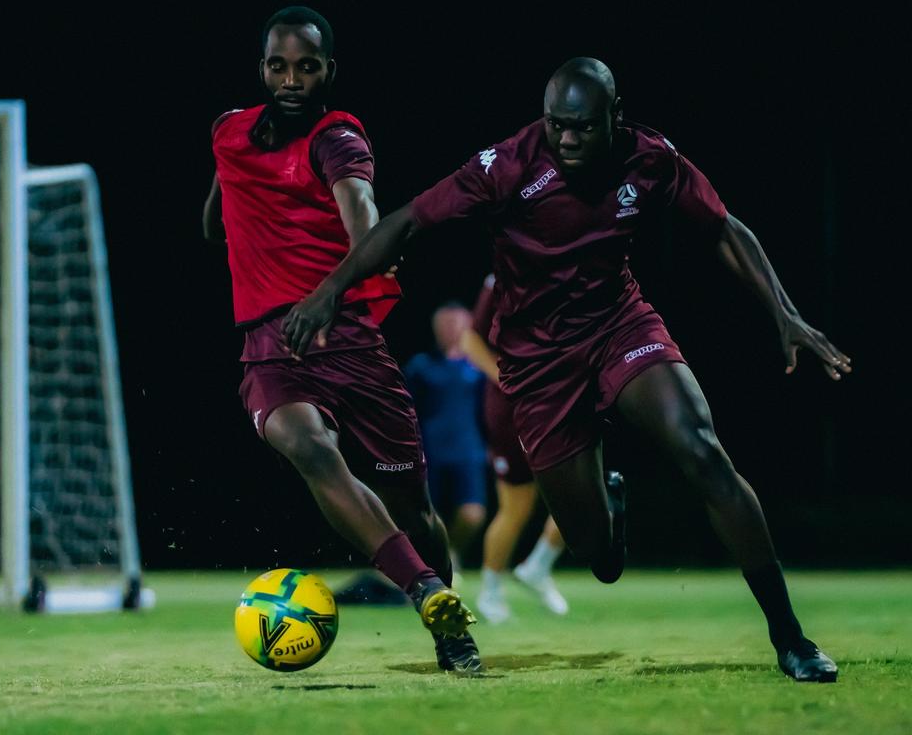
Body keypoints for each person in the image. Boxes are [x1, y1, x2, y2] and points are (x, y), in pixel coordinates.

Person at [281, 57, 851, 682]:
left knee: (702, 450)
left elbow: (723, 229)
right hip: (537, 364)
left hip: (619, 327)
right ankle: (609, 509)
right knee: (597, 557)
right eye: (558, 126)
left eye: (583, 127)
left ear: (615, 116)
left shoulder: (650, 157)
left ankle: (790, 638)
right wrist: (333, 288)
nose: (568, 139)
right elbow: (409, 221)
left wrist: (786, 315)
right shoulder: (507, 166)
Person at [203, 6, 480, 673]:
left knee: (414, 513)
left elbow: (361, 205)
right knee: (309, 448)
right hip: (272, 346)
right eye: (278, 66)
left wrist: (338, 280)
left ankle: (451, 625)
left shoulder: (338, 138)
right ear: (262, 69)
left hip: (349, 343)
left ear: (330, 71)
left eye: (306, 66)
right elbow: (215, 223)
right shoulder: (231, 133)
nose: (291, 79)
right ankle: (425, 591)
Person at [463, 273, 576, 621]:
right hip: (513, 408)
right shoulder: (503, 275)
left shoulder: (574, 264)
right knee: (516, 506)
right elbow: (471, 343)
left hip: (559, 399)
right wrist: (508, 381)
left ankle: (538, 566)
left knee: (582, 495)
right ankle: (491, 593)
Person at [404, 303, 488, 581]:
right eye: (444, 325)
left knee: (472, 513)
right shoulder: (421, 366)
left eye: (456, 324)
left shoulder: (479, 367)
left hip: (469, 451)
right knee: (427, 515)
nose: (450, 330)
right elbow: (405, 410)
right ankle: (429, 563)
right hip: (430, 452)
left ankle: (452, 553)